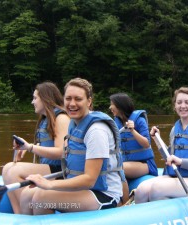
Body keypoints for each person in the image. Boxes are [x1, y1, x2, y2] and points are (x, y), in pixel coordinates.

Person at [19, 78, 124, 215]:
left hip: (103, 195)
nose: (72, 103)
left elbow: (89, 180)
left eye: (78, 99)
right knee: (27, 194)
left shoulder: (96, 131)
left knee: (42, 198)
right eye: (68, 98)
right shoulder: (74, 124)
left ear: (89, 101)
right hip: (81, 190)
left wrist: (49, 184)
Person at [134, 87, 188, 203]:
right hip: (177, 176)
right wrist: (156, 139)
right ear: (175, 106)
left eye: (187, 102)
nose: (183, 106)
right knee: (141, 190)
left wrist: (182, 162)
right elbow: (170, 157)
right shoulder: (175, 129)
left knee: (157, 190)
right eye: (179, 103)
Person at [2, 81, 70, 214]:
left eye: (35, 98)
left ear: (46, 98)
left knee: (14, 172)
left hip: (61, 171)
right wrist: (25, 148)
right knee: (7, 168)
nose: (32, 102)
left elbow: (61, 152)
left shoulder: (61, 118)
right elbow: (46, 144)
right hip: (50, 168)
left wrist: (30, 147)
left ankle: (24, 212)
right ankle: (19, 214)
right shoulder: (45, 119)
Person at [109, 93, 158, 205]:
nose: (110, 107)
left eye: (112, 105)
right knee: (109, 166)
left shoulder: (139, 121)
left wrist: (133, 131)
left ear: (120, 106)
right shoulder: (115, 123)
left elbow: (146, 144)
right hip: (127, 163)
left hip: (145, 164)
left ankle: (125, 204)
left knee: (118, 169)